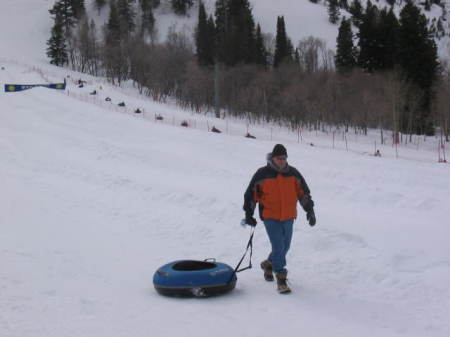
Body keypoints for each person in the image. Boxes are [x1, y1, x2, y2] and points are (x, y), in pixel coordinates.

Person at [243, 144, 316, 294]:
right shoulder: (263, 174)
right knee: (278, 245)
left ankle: (268, 263)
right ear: (273, 158)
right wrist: (249, 214)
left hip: (289, 216)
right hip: (270, 216)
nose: (282, 161)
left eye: (284, 158)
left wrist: (310, 210)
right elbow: (251, 194)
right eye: (279, 158)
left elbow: (303, 193)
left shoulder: (293, 173)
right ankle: (281, 278)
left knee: (285, 246)